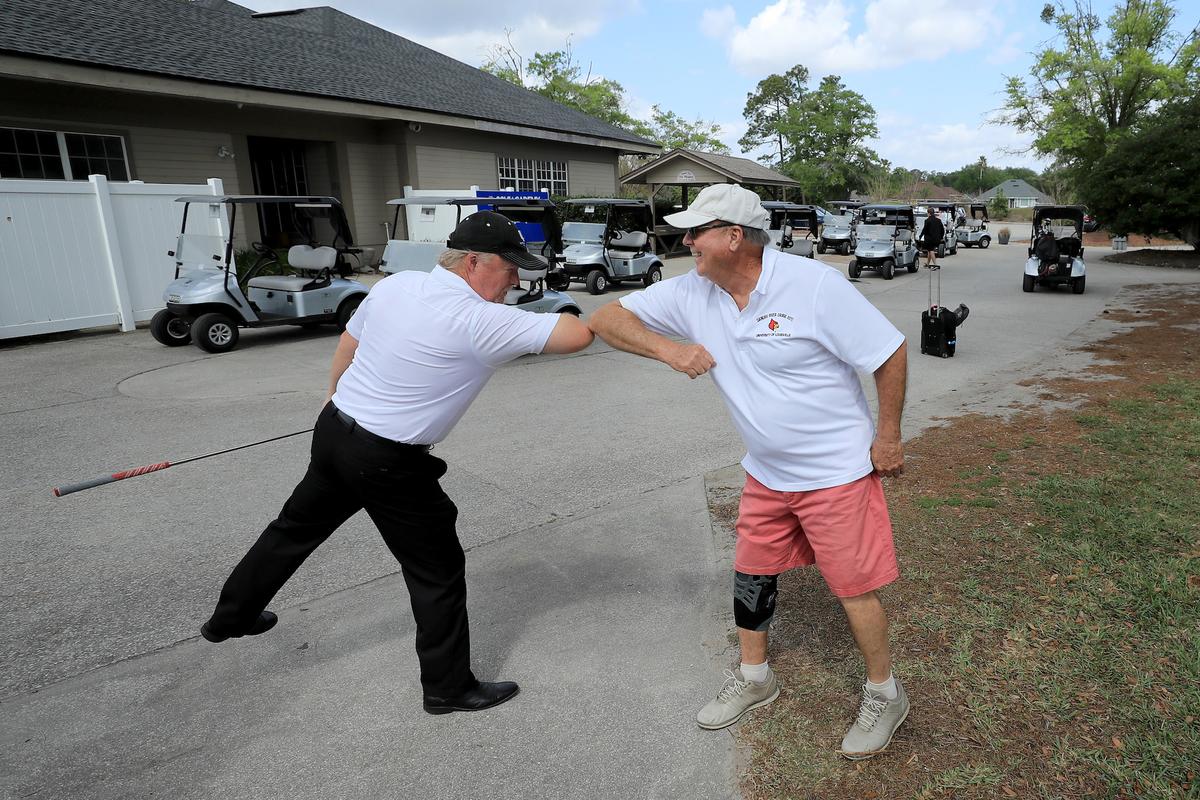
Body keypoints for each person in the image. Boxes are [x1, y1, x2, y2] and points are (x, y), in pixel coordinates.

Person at [200, 211, 593, 715]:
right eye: (510, 267)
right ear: (472, 262)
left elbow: (350, 343)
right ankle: (449, 688)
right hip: (389, 461)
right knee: (436, 569)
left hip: (338, 432)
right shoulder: (480, 319)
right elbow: (578, 335)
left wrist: (333, 402)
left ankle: (230, 617)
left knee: (292, 528)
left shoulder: (397, 285)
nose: (517, 279)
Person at [588, 183, 909, 760]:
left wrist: (887, 437)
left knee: (852, 587)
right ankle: (756, 678)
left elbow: (888, 353)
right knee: (752, 573)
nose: (686, 241)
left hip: (836, 471)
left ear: (734, 237)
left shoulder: (813, 288)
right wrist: (669, 350)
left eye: (697, 232)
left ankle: (885, 693)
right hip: (766, 472)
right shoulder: (693, 291)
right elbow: (605, 317)